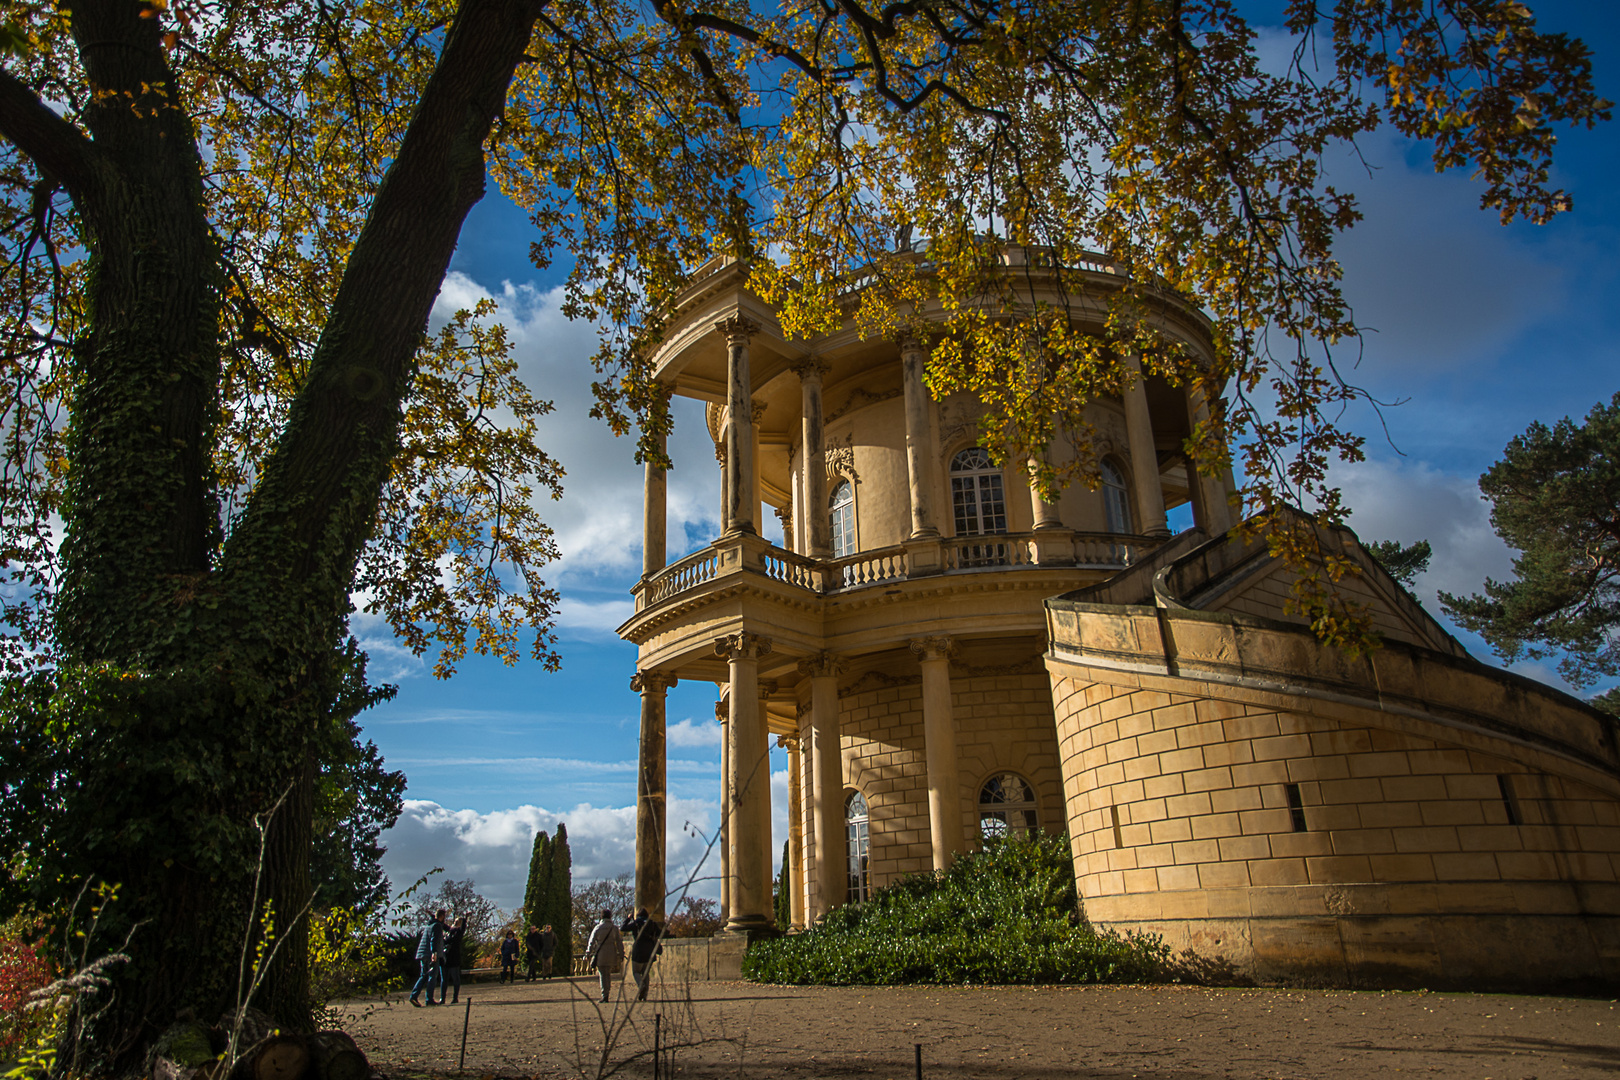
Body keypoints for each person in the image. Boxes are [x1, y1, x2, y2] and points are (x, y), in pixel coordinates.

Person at [584, 907, 623, 1004]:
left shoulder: (598, 928)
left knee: (602, 974)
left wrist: (588, 953)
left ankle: (604, 994)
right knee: (608, 974)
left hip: (600, 953)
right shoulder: (614, 928)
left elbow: (591, 942)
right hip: (611, 953)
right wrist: (621, 954)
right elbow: (619, 942)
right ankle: (607, 993)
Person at [409, 908, 447, 1007]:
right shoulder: (437, 926)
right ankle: (429, 999)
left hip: (422, 953)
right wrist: (434, 953)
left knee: (423, 975)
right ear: (442, 916)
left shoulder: (429, 925)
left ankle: (414, 996)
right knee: (432, 977)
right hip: (430, 954)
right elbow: (434, 940)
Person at [626, 908, 663, 1001]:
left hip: (638, 949)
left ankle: (641, 985)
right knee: (646, 973)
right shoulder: (653, 923)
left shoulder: (636, 923)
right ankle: (645, 995)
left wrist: (628, 919)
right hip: (650, 950)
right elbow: (660, 933)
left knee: (636, 971)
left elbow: (623, 928)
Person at [441, 915, 467, 1004]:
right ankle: (442, 998)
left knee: (455, 979)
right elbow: (442, 923)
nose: (456, 922)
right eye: (455, 921)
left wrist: (465, 919)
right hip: (445, 957)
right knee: (444, 979)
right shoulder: (448, 931)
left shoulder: (458, 932)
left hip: (454, 958)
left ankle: (455, 997)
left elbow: (463, 928)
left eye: (458, 921)